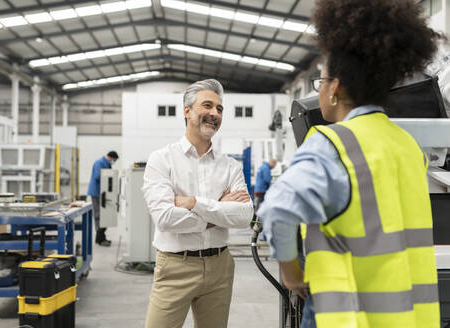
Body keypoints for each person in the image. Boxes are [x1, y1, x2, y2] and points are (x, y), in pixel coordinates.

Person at [258, 1, 441, 327]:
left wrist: (291, 273)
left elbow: (277, 210)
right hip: (409, 317)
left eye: (321, 81)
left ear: (335, 90)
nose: (321, 88)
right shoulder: (408, 147)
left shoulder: (332, 144)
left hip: (345, 314)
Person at [142, 79, 253, 328]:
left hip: (220, 266)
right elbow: (166, 219)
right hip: (175, 267)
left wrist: (194, 203)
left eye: (220, 109)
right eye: (207, 105)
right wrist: (219, 208)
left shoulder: (230, 166)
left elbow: (244, 215)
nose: (215, 113)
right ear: (187, 111)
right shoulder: (162, 160)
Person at [87, 151, 119, 247]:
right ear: (109, 157)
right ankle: (100, 239)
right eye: (114, 160)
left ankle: (101, 238)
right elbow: (97, 176)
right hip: (97, 193)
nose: (113, 162)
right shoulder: (99, 163)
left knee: (105, 216)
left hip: (103, 192)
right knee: (98, 215)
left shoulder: (106, 164)